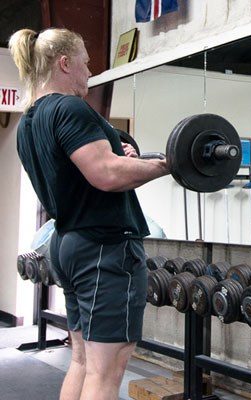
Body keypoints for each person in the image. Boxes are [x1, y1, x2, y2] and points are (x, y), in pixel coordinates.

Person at [9, 28, 169, 400]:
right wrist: (168, 164)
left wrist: (125, 158)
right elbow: (106, 175)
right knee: (106, 370)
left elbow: (92, 169)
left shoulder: (30, 121)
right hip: (104, 248)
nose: (89, 69)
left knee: (82, 360)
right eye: (84, 61)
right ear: (64, 63)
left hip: (68, 243)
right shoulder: (69, 108)